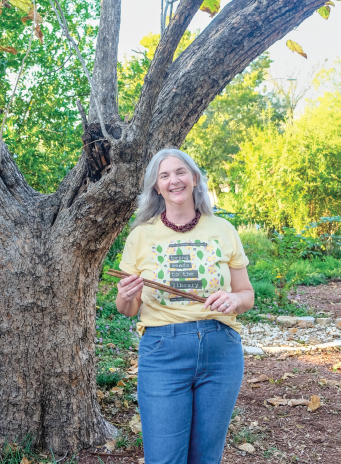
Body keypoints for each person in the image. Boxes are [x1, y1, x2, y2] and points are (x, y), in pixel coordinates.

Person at [114, 148, 253, 464]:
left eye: (180, 172)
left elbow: (247, 295)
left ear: (194, 179)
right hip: (163, 350)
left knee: (205, 458)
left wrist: (234, 299)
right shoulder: (141, 235)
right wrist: (126, 293)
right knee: (164, 458)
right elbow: (128, 309)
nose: (173, 180)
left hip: (221, 349)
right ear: (156, 187)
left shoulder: (223, 230)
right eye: (164, 175)